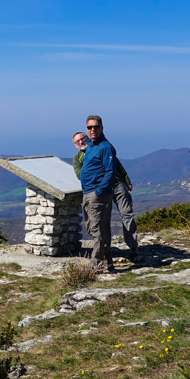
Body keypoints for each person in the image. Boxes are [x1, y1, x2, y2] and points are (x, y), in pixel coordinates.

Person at [72, 130, 139, 261]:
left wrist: (127, 180)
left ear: (87, 138)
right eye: (77, 141)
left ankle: (133, 247)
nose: (81, 142)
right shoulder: (78, 159)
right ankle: (106, 253)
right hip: (100, 190)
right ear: (75, 144)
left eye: (82, 138)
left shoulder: (102, 147)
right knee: (103, 221)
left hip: (117, 184)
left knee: (127, 214)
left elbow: (117, 164)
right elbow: (81, 175)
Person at [79, 115, 117, 271]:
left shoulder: (105, 147)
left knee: (96, 229)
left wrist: (100, 191)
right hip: (90, 192)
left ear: (102, 128)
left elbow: (110, 170)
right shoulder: (91, 146)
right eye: (89, 127)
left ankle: (95, 263)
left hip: (97, 193)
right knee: (99, 227)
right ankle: (108, 262)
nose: (92, 130)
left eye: (95, 127)